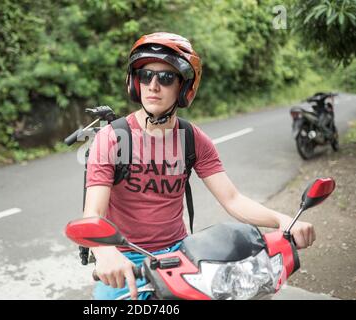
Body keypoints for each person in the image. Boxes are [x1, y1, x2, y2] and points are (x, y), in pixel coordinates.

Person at [82, 32, 316, 300]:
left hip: (179, 254)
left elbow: (233, 199)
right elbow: (93, 214)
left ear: (184, 88)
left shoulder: (193, 139)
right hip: (124, 257)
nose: (153, 85)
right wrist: (104, 252)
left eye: (166, 78)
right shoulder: (112, 137)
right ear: (135, 82)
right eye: (146, 75)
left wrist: (282, 220)